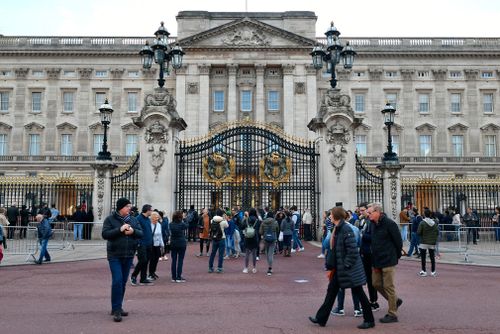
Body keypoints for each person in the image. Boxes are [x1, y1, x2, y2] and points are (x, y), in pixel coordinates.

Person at [309, 207, 375, 329]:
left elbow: (352, 251)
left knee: (359, 293)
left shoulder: (346, 229)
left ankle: (369, 320)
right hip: (341, 269)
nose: (330, 216)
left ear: (336, 216)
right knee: (331, 292)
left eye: (331, 215)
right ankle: (321, 318)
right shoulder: (338, 228)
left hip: (348, 269)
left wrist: (346, 265)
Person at [102, 197, 143, 322]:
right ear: (120, 208)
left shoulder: (134, 219)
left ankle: (117, 306)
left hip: (129, 254)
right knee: (117, 280)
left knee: (123, 282)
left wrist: (133, 231)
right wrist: (119, 230)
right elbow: (105, 234)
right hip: (114, 254)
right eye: (127, 206)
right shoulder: (110, 219)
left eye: (130, 206)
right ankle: (117, 309)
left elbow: (141, 233)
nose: (129, 208)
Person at [366, 203, 403, 324]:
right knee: (375, 284)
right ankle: (395, 301)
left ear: (378, 212)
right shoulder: (371, 224)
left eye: (370, 212)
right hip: (376, 260)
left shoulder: (389, 224)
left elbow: (398, 241)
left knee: (388, 286)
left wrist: (395, 256)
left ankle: (392, 314)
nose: (368, 214)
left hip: (388, 259)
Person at [358, 204, 379, 311]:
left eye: (363, 210)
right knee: (367, 278)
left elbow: (373, 237)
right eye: (360, 210)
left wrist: (361, 234)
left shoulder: (371, 222)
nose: (361, 212)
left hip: (370, 253)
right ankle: (372, 300)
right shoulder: (363, 221)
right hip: (364, 253)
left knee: (372, 279)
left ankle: (373, 301)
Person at [130, 204, 154, 286]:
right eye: (151, 210)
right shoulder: (138, 219)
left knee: (146, 261)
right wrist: (138, 242)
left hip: (149, 243)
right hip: (141, 243)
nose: (152, 211)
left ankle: (143, 278)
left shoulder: (148, 219)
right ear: (147, 210)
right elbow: (135, 231)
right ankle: (134, 275)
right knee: (142, 260)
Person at [417, 208, 439, 277]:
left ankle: (424, 271)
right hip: (432, 242)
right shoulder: (434, 223)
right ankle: (433, 271)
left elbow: (418, 232)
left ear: (424, 214)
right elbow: (437, 232)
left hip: (423, 242)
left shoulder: (422, 223)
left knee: (423, 257)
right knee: (432, 257)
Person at [208, 209, 229, 273]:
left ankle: (210, 267)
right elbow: (227, 226)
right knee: (221, 254)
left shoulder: (212, 220)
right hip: (221, 238)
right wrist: (225, 218)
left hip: (214, 238)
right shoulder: (223, 221)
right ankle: (219, 268)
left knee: (213, 253)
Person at [169, 210, 188, 282]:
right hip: (181, 243)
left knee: (173, 260)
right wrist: (184, 218)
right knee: (180, 260)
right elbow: (187, 225)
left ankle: (173, 277)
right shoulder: (181, 224)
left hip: (173, 243)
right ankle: (179, 277)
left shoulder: (171, 224)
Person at [260, 211, 279, 276]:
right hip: (273, 238)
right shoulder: (275, 222)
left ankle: (269, 266)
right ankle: (270, 267)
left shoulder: (263, 222)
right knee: (271, 254)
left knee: (267, 253)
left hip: (266, 238)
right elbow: (277, 230)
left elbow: (260, 231)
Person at [242, 208, 259, 273]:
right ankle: (254, 268)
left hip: (247, 237)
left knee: (247, 253)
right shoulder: (257, 220)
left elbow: (242, 226)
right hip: (254, 237)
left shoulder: (247, 219)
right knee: (254, 254)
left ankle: (246, 268)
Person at [148, 211, 164, 280]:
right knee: (152, 259)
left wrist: (162, 244)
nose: (157, 218)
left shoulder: (159, 225)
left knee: (156, 259)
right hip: (151, 244)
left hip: (157, 244)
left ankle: (153, 272)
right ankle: (150, 273)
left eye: (158, 217)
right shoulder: (149, 224)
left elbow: (160, 235)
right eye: (156, 217)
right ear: (152, 217)